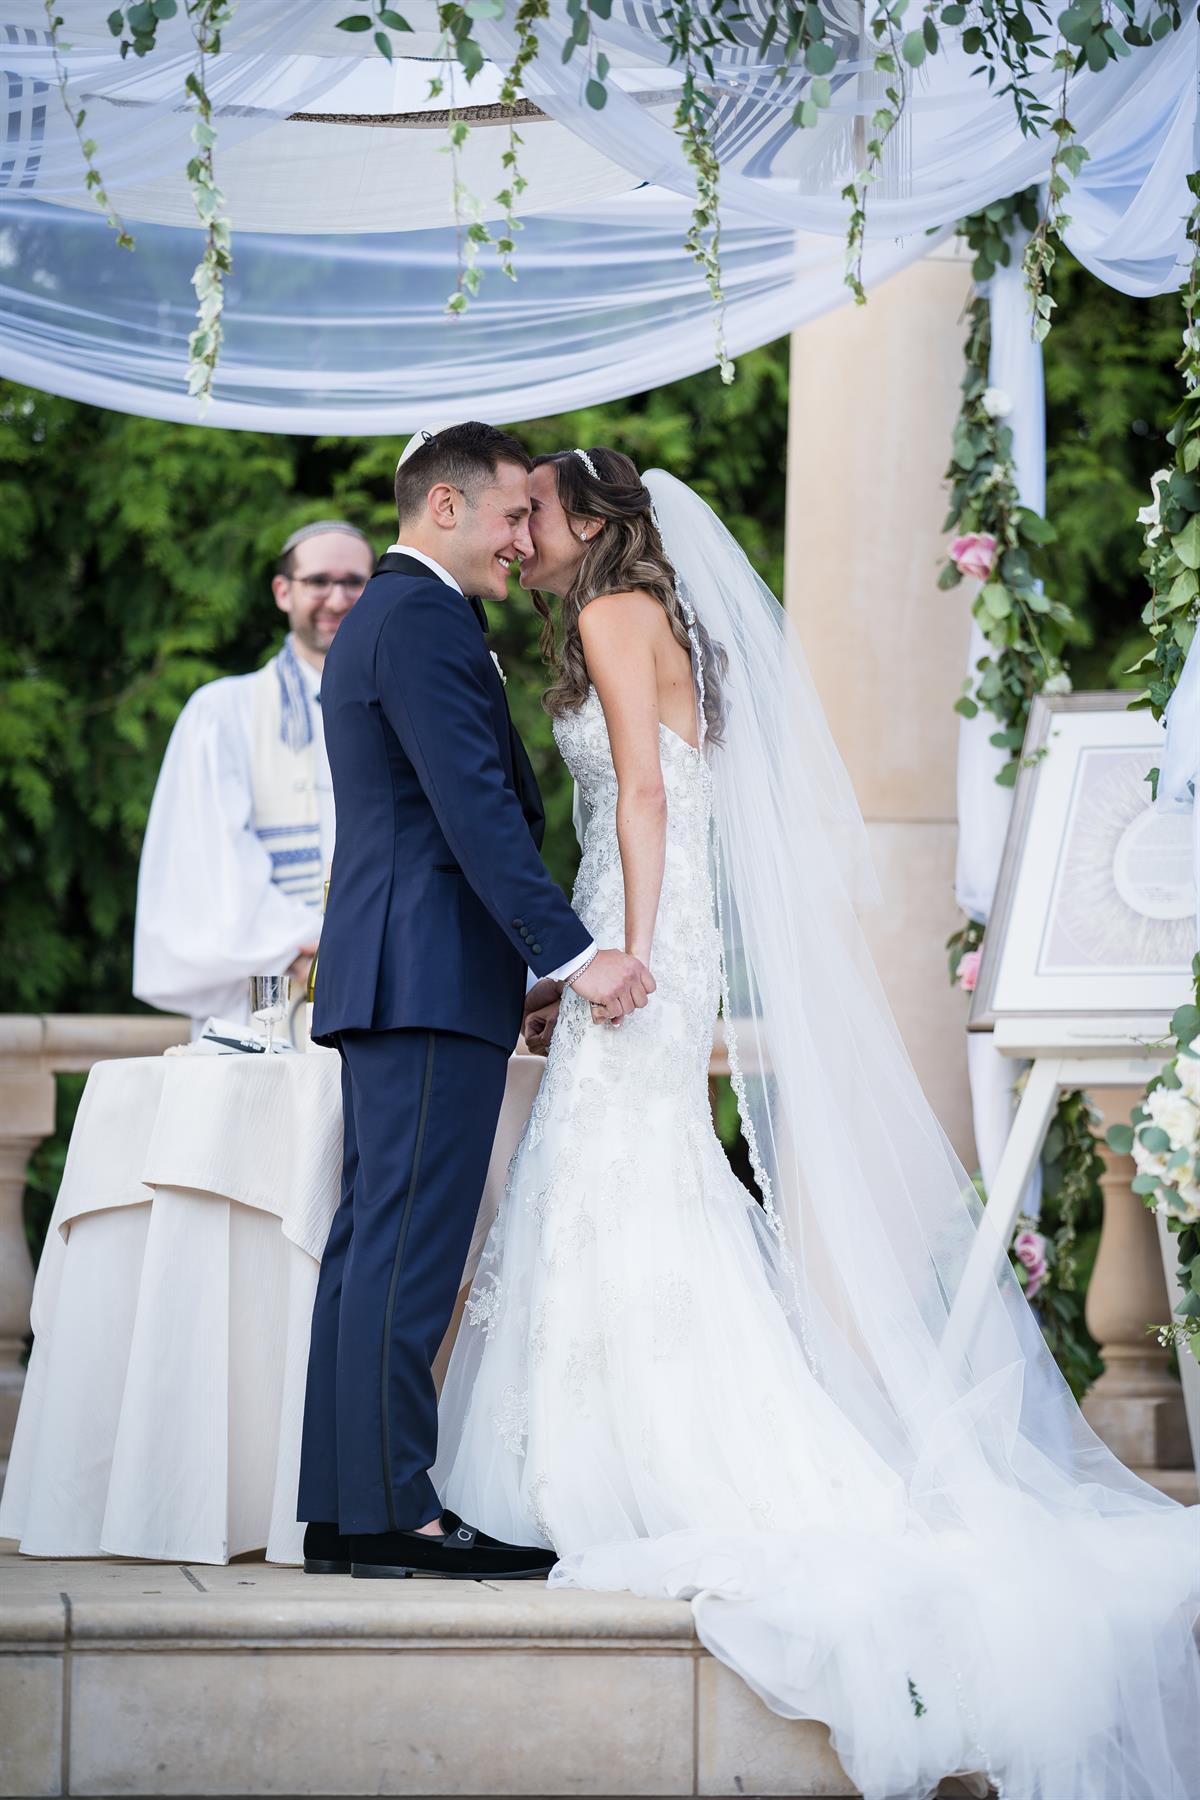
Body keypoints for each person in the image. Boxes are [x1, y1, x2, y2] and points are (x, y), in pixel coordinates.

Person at [433, 448, 1200, 1800]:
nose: (522, 527)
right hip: (646, 924)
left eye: (540, 507)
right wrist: (600, 947)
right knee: (626, 1173)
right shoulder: (657, 618)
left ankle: (623, 1461)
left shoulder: (613, 612)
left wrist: (615, 953)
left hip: (644, 931)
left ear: (596, 521)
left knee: (615, 1170)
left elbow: (646, 794)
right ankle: (616, 1442)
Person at [296, 422, 654, 1582]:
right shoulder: (421, 620)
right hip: (427, 976)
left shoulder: (401, 615)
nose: (520, 537)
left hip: (408, 972)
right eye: (510, 514)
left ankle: (347, 1509)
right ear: (444, 507)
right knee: (406, 1252)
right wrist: (576, 956)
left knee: (374, 1245)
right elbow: (475, 814)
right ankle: (397, 1513)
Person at [133, 520, 373, 1032]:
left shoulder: (399, 710)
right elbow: (209, 863)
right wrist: (320, 947)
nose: (337, 598)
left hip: (381, 992)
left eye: (354, 582)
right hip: (265, 1001)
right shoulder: (223, 712)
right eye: (319, 581)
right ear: (283, 591)